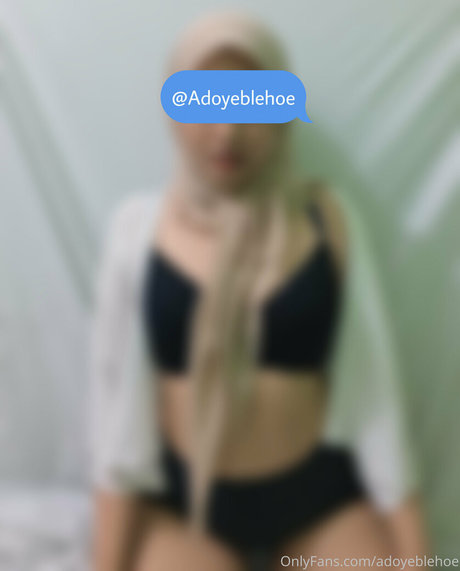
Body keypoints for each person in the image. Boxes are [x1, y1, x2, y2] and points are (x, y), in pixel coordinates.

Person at [89, 10, 429, 571]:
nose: (227, 131)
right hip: (186, 508)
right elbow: (115, 413)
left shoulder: (328, 217)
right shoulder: (136, 229)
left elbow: (376, 392)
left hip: (316, 498)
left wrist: (417, 555)